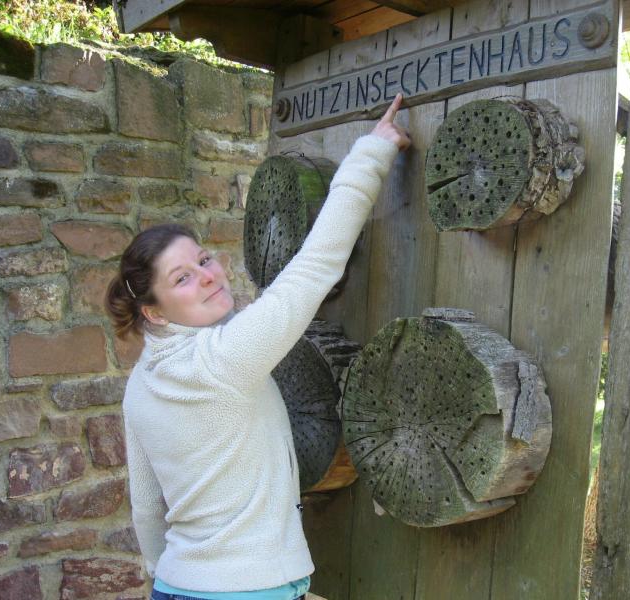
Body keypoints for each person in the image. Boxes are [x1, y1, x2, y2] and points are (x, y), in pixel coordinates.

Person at [104, 94, 411, 600]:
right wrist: (372, 153)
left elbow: (147, 507)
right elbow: (314, 268)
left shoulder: (140, 384)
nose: (208, 276)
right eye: (182, 278)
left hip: (177, 585)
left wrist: (173, 576)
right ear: (154, 312)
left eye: (203, 260)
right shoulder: (222, 359)